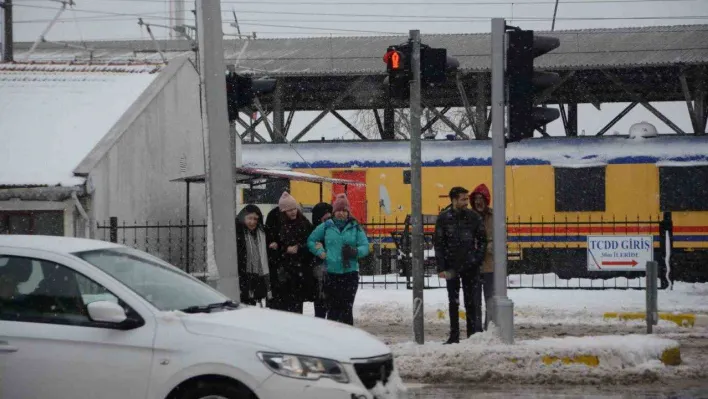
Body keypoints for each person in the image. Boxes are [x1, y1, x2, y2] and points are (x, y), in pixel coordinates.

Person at [434, 186, 487, 344]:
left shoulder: (473, 217)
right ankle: (454, 335)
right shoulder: (443, 218)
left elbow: (482, 240)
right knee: (453, 302)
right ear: (454, 200)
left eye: (466, 198)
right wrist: (441, 267)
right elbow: (438, 244)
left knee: (471, 301)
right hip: (451, 266)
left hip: (470, 266)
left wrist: (476, 259)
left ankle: (472, 335)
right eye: (463, 199)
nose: (466, 202)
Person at [307, 194, 369, 326]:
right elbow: (311, 240)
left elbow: (365, 246)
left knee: (346, 309)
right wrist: (321, 253)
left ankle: (348, 339)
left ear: (348, 212)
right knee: (333, 310)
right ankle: (333, 338)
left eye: (344, 210)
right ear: (333, 212)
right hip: (331, 274)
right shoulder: (326, 226)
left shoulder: (355, 226)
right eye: (338, 210)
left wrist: (355, 252)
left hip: (350, 274)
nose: (341, 213)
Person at [270, 192, 314, 314]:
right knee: (285, 304)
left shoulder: (304, 223)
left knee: (297, 305)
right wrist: (285, 249)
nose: (293, 212)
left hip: (300, 269)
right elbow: (275, 246)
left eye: (294, 208)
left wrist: (299, 248)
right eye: (289, 210)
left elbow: (310, 242)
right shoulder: (279, 225)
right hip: (285, 271)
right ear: (283, 211)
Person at [236, 205, 272, 306]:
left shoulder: (262, 232)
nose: (253, 222)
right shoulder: (237, 231)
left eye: (256, 219)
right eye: (250, 218)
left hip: (258, 275)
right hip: (243, 274)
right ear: (243, 217)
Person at [471, 183, 494, 330]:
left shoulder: (494, 217)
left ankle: (489, 328)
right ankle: (477, 329)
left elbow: (502, 236)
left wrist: (492, 243)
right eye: (476, 198)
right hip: (473, 266)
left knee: (490, 300)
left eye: (481, 198)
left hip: (489, 266)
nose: (478, 202)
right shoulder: (470, 217)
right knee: (475, 301)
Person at [310, 202, 333, 319]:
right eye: (326, 216)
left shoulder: (333, 229)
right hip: (319, 272)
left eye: (330, 216)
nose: (329, 218)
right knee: (320, 303)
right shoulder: (314, 231)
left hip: (333, 270)